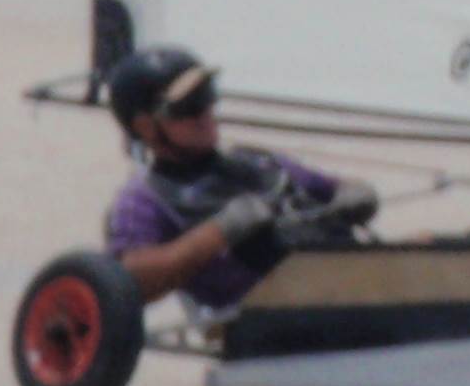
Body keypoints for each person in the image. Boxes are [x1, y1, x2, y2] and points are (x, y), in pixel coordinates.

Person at [100, 45, 377, 309]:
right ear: (146, 127)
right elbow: (129, 280)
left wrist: (354, 195)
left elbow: (335, 188)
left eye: (206, 95)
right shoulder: (144, 199)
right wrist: (220, 231)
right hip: (273, 319)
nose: (205, 113)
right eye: (188, 106)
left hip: (353, 287)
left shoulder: (259, 162)